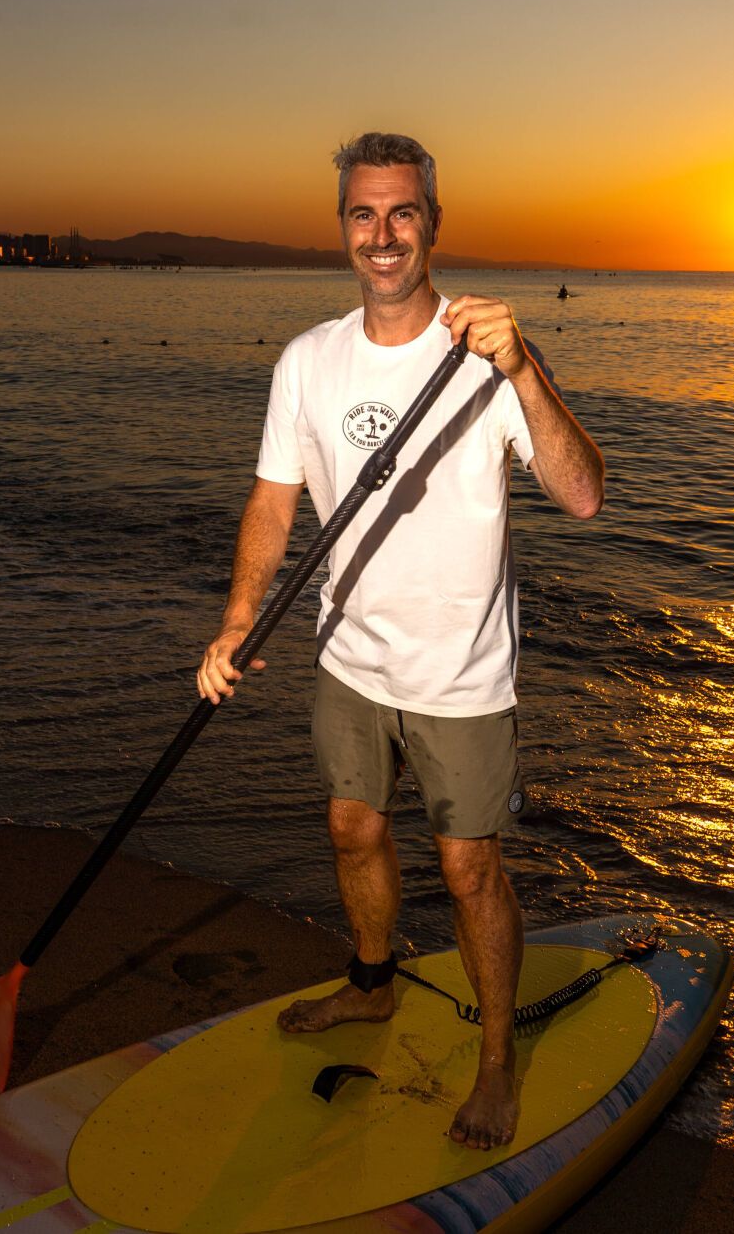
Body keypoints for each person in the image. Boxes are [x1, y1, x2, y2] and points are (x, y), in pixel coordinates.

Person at [197, 132, 605, 1150]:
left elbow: (582, 494)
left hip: (460, 673)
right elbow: (273, 500)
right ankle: (372, 982)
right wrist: (238, 618)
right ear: (342, 226)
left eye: (401, 212)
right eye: (363, 213)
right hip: (349, 656)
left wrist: (524, 370)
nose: (382, 235)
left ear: (432, 222)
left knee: (468, 871)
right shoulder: (308, 360)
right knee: (351, 827)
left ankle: (498, 1058)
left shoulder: (488, 355)